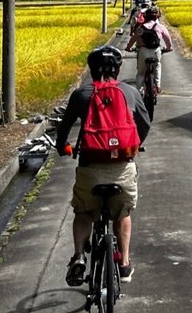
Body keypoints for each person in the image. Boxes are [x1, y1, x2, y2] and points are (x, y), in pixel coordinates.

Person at [55, 46, 152, 285]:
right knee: (122, 214)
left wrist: (63, 147)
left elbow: (63, 130)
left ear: (91, 68)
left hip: (90, 168)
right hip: (122, 167)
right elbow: (145, 124)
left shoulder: (80, 95)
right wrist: (132, 145)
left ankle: (78, 256)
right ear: (118, 69)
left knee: (84, 212)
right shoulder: (129, 92)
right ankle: (125, 264)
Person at [125, 5, 172, 95]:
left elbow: (133, 39)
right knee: (157, 65)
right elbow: (167, 39)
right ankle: (158, 85)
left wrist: (128, 48)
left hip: (143, 51)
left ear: (145, 16)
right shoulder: (160, 27)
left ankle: (139, 93)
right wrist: (169, 48)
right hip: (156, 51)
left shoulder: (141, 28)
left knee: (140, 73)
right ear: (156, 17)